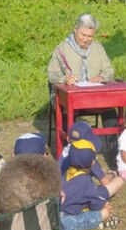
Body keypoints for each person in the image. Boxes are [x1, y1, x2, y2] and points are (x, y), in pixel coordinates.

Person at [47, 13, 117, 150]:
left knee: (110, 109)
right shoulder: (61, 49)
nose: (86, 39)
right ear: (75, 30)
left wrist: (102, 77)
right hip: (68, 99)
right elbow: (52, 75)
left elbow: (109, 70)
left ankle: (114, 151)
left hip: (93, 97)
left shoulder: (98, 49)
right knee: (67, 111)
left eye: (90, 36)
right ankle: (70, 149)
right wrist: (64, 79)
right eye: (82, 35)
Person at [61, 139, 124, 230]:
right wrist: (102, 204)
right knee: (105, 213)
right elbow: (96, 205)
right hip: (66, 219)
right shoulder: (85, 180)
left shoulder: (65, 171)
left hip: (57, 211)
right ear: (92, 163)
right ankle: (97, 223)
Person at [59, 121, 119, 185]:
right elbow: (105, 182)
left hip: (61, 188)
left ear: (68, 139)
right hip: (76, 191)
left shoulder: (66, 152)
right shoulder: (86, 155)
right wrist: (112, 175)